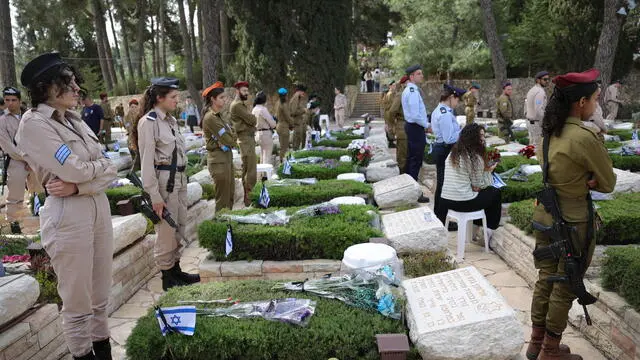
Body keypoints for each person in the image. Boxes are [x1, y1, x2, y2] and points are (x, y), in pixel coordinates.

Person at [16, 52, 117, 360]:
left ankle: (104, 351)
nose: (76, 88)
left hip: (95, 206)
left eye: (74, 81)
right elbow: (72, 168)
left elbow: (110, 168)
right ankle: (83, 354)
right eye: (67, 82)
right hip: (68, 214)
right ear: (46, 87)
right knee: (77, 302)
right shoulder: (34, 125)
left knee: (100, 295)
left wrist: (82, 184)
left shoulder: (73, 120)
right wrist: (85, 177)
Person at [528, 69, 616, 360]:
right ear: (580, 103)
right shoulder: (584, 136)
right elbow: (607, 182)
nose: (595, 104)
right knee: (564, 285)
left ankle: (536, 343)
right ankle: (550, 351)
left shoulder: (550, 131)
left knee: (545, 280)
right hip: (572, 222)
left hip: (545, 215)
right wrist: (588, 179)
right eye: (595, 99)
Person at [132, 77, 200, 292]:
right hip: (164, 182)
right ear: (159, 98)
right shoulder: (148, 122)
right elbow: (146, 163)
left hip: (178, 179)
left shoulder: (170, 121)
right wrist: (154, 196)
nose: (176, 100)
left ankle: (176, 269)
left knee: (179, 225)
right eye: (173, 97)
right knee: (166, 231)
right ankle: (167, 277)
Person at [440, 124, 501, 242]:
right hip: (462, 202)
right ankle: (488, 232)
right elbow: (481, 185)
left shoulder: (452, 154)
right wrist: (488, 171)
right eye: (481, 136)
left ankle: (475, 231)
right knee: (495, 193)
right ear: (473, 137)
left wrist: (474, 186)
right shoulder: (474, 158)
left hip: (446, 201)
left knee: (484, 195)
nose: (483, 139)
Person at [431, 84, 466, 228]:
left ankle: (439, 216)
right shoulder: (445, 113)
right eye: (457, 100)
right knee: (443, 186)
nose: (458, 103)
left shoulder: (440, 110)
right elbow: (449, 138)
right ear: (451, 97)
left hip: (441, 149)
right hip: (444, 150)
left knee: (442, 184)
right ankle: (441, 219)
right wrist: (462, 131)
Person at [201, 82, 237, 212]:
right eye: (221, 97)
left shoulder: (219, 115)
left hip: (226, 158)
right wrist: (231, 140)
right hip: (218, 161)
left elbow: (230, 134)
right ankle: (222, 227)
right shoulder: (211, 117)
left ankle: (228, 225)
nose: (224, 100)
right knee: (223, 199)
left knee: (230, 195)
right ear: (212, 99)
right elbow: (228, 139)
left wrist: (230, 138)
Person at [0, 87, 29, 234]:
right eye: (7, 100)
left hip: (37, 160)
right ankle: (14, 224)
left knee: (45, 189)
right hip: (16, 161)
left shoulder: (28, 116)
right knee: (15, 195)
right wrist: (26, 158)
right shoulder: (2, 121)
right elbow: (7, 146)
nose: (10, 103)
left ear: (19, 101)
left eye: (13, 100)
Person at [401, 64, 429, 203]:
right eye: (419, 73)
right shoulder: (412, 90)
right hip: (415, 127)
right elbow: (415, 115)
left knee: (413, 159)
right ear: (411, 76)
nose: (421, 76)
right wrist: (427, 125)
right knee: (415, 161)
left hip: (414, 127)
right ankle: (414, 193)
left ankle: (410, 190)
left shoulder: (412, 90)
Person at [230, 81, 257, 206]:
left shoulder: (240, 104)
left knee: (248, 169)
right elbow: (252, 119)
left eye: (247, 91)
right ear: (237, 91)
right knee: (250, 170)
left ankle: (248, 198)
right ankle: (250, 198)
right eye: (244, 91)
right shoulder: (237, 105)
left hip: (247, 138)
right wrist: (252, 119)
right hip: (245, 139)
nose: (247, 93)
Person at [526, 71, 550, 146]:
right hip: (536, 123)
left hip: (530, 122)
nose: (547, 81)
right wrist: (543, 124)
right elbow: (539, 110)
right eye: (545, 79)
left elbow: (525, 105)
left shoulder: (532, 90)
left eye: (548, 79)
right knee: (538, 148)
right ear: (538, 80)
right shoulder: (540, 92)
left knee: (531, 147)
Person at [390, 76, 409, 174]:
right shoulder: (402, 95)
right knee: (404, 156)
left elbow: (392, 111)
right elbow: (392, 111)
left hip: (406, 128)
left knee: (404, 157)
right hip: (406, 128)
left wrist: (392, 124)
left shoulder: (404, 94)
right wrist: (391, 125)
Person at [252, 91, 276, 165]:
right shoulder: (263, 109)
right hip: (265, 134)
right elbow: (272, 124)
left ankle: (261, 174)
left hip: (257, 134)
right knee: (267, 155)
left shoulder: (254, 109)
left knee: (262, 155)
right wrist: (275, 123)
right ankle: (265, 176)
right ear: (264, 100)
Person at [275, 88, 293, 162]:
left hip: (279, 125)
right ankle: (283, 164)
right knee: (284, 147)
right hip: (284, 127)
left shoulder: (277, 103)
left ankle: (282, 162)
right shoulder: (284, 104)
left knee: (282, 146)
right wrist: (292, 124)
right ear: (285, 96)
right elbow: (288, 117)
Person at [289, 84, 307, 150]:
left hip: (299, 122)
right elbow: (293, 112)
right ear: (300, 91)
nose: (304, 94)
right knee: (296, 143)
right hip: (297, 123)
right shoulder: (295, 98)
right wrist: (303, 110)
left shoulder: (298, 98)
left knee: (299, 140)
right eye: (303, 92)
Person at [125, 99, 141, 171]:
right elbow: (127, 126)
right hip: (131, 138)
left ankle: (137, 170)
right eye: (132, 107)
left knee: (139, 157)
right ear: (129, 107)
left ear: (138, 107)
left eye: (135, 107)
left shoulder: (140, 115)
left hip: (139, 138)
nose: (133, 109)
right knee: (134, 155)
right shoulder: (127, 116)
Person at [383, 81, 397, 147]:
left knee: (391, 127)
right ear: (390, 86)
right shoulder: (390, 94)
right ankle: (391, 142)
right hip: (389, 113)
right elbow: (392, 104)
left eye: (395, 85)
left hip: (389, 113)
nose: (395, 86)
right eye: (393, 85)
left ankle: (391, 142)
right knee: (390, 128)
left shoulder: (391, 93)